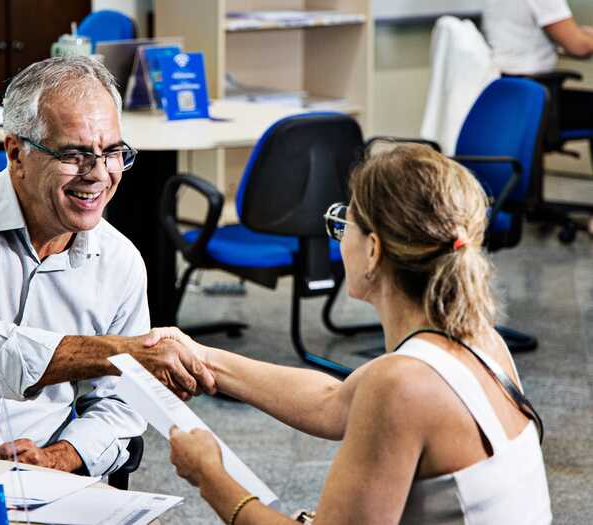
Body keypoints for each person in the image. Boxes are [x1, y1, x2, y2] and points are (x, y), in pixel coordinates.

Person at [159, 144, 551, 523]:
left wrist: (208, 474)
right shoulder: (481, 342)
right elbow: (330, 401)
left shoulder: (400, 384)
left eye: (346, 223)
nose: (341, 236)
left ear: (374, 249)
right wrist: (204, 357)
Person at [0, 56, 214, 477]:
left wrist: (60, 457)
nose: (100, 174)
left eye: (113, 152)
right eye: (75, 154)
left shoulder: (119, 261)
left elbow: (119, 403)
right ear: (16, 153)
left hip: (46, 478)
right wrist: (119, 353)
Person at [482, 0, 593, 235]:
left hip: (507, 93)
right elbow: (578, 46)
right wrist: (583, 37)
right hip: (537, 97)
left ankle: (533, 202)